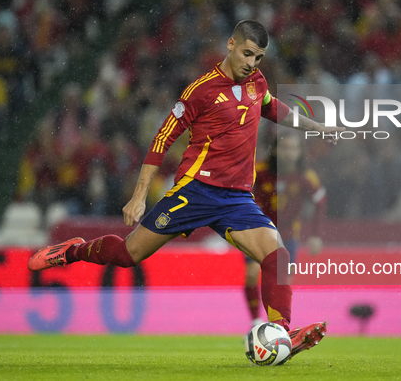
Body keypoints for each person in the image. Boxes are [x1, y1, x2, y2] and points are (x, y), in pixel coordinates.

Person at [28, 20, 340, 358]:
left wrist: (315, 126)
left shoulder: (257, 83)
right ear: (231, 44)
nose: (251, 63)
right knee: (127, 255)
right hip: (195, 192)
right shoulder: (201, 91)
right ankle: (72, 251)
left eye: (259, 57)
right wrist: (139, 194)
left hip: (236, 199)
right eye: (247, 53)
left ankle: (281, 333)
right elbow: (163, 138)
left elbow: (273, 108)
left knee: (277, 256)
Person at [245, 133, 326, 326]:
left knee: (282, 282)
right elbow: (240, 192)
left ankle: (277, 326)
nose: (289, 153)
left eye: (293, 148)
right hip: (258, 232)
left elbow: (320, 201)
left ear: (299, 152)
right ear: (275, 150)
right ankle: (256, 321)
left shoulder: (306, 176)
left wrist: (316, 235)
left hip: (287, 235)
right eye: (285, 148)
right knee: (251, 274)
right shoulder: (259, 170)